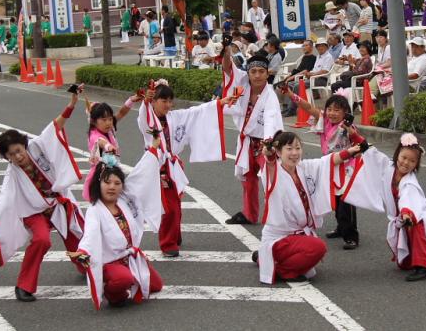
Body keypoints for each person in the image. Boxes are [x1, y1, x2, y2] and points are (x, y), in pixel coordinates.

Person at [0, 86, 87, 302]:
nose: (18, 156)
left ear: (24, 145)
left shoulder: (38, 146)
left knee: (77, 235)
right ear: (7, 158)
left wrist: (72, 103)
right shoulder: (12, 175)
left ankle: (87, 268)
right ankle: (24, 286)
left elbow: (55, 126)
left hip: (57, 203)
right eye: (12, 155)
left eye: (19, 150)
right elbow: (4, 201)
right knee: (42, 240)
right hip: (33, 211)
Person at [253, 130, 367, 284]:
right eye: (289, 149)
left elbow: (327, 162)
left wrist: (351, 151)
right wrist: (269, 153)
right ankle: (282, 271)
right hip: (280, 237)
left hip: (296, 234)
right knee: (317, 248)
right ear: (279, 152)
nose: (294, 153)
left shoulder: (303, 167)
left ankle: (264, 258)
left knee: (312, 259)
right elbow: (269, 161)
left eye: (298, 148)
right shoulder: (273, 172)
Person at [136, 81, 233, 256]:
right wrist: (145, 102)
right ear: (154, 101)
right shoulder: (147, 120)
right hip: (157, 166)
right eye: (163, 100)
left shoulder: (175, 117)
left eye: (169, 101)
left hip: (172, 165)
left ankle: (174, 236)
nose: (167, 105)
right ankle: (167, 244)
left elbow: (196, 112)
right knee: (169, 206)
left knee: (176, 205)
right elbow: (144, 115)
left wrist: (219, 103)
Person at [68, 138, 163, 309]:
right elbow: (89, 234)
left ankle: (127, 277)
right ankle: (111, 293)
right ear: (99, 184)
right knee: (123, 281)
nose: (112, 187)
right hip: (110, 261)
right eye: (107, 182)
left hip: (129, 257)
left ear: (122, 187)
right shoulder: (95, 210)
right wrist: (82, 252)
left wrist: (154, 148)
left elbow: (141, 174)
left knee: (156, 286)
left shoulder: (124, 200)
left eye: (117, 183)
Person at [342, 133, 426, 281]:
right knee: (404, 264)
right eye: (404, 158)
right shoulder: (389, 166)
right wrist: (354, 134)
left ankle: (423, 267)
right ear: (397, 155)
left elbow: (410, 200)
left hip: (412, 216)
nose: (406, 163)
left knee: (415, 227)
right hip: (401, 218)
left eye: (412, 161)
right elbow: (371, 152)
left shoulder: (410, 183)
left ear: (416, 165)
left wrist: (407, 213)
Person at [283, 93, 363, 249]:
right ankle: (341, 228)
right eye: (329, 109)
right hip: (329, 166)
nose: (332, 113)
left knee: (346, 202)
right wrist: (290, 94)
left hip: (346, 169)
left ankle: (351, 236)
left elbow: (359, 143)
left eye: (337, 110)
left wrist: (350, 130)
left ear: (345, 112)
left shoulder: (348, 127)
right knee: (335, 201)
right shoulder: (324, 121)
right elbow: (308, 107)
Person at [222, 50, 284, 225]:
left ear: (267, 73)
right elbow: (228, 68)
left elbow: (272, 118)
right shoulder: (243, 86)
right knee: (248, 179)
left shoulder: (270, 96)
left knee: (271, 179)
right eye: (253, 71)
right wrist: (226, 51)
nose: (257, 75)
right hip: (248, 141)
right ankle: (250, 214)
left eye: (261, 71)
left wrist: (269, 142)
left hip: (266, 142)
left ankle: (278, 216)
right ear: (248, 73)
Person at [280, 39, 320, 116]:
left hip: (302, 78)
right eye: (303, 45)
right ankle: (286, 107)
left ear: (311, 47)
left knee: (287, 84)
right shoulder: (304, 57)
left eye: (306, 45)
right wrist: (289, 76)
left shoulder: (313, 58)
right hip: (296, 76)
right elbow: (298, 69)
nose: (304, 47)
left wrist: (291, 77)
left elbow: (305, 71)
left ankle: (291, 109)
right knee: (280, 85)